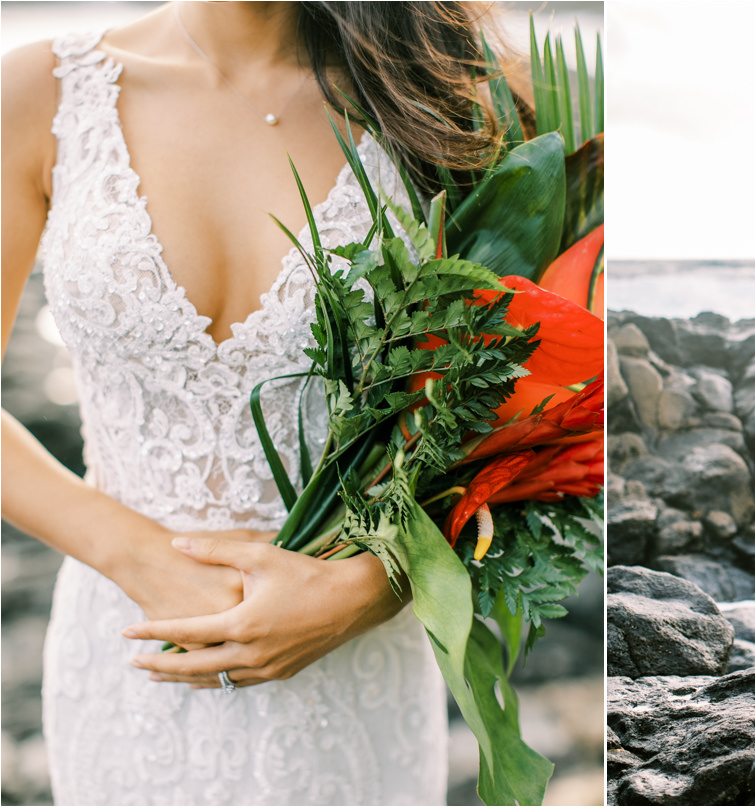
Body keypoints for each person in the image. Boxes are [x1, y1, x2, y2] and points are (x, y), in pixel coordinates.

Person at [1, 2, 509, 803]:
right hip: (128, 654)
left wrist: (373, 586)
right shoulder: (41, 90)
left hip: (350, 672)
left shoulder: (441, 100)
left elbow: (518, 423)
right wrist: (134, 554)